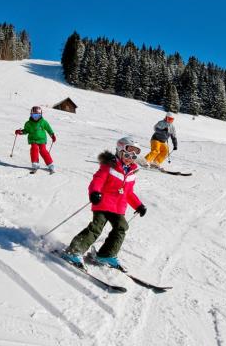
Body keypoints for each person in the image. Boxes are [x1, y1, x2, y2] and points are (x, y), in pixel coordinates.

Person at [62, 137, 147, 269]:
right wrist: (95, 192)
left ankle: (106, 254)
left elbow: (129, 193)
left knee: (121, 227)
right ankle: (74, 251)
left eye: (133, 156)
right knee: (96, 228)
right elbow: (97, 181)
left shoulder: (131, 172)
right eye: (127, 154)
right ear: (119, 152)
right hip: (103, 203)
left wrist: (138, 205)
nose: (130, 158)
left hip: (118, 208)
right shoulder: (109, 166)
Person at [15, 106, 56, 173]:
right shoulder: (28, 123)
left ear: (40, 115)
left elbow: (49, 129)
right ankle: (35, 164)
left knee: (43, 150)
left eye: (38, 115)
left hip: (42, 139)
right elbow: (26, 130)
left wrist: (52, 135)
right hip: (33, 139)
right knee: (34, 148)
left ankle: (50, 164)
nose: (36, 117)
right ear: (31, 114)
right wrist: (21, 132)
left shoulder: (43, 122)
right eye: (34, 115)